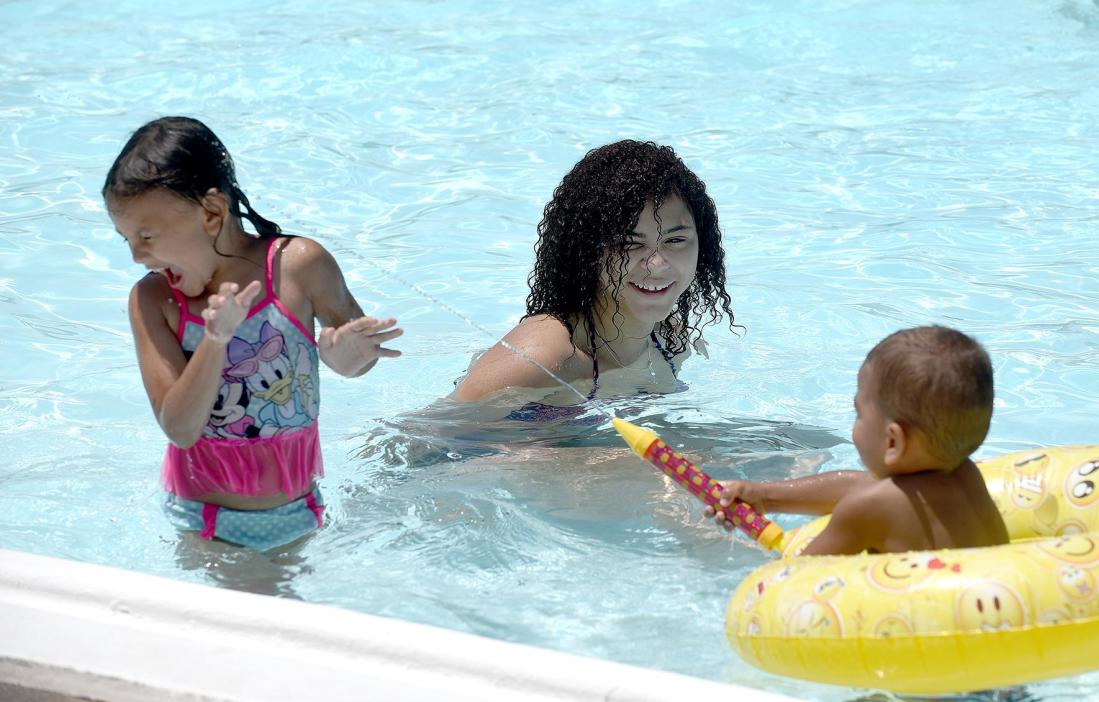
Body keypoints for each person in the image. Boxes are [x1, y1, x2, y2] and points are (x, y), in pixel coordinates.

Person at [105, 116, 402, 551]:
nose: (135, 255)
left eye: (146, 235)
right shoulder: (154, 301)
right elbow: (180, 428)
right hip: (202, 519)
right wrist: (215, 340)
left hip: (300, 509)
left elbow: (357, 359)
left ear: (211, 212)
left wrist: (345, 358)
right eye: (125, 238)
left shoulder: (299, 266)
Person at [451, 140, 736, 417]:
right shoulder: (545, 354)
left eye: (675, 240)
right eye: (628, 244)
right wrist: (589, 462)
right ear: (587, 252)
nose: (656, 264)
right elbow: (426, 443)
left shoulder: (671, 340)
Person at [712, 326, 1009, 556]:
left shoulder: (868, 511)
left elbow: (794, 578)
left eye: (859, 413)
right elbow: (864, 486)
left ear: (893, 442)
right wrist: (763, 496)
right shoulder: (966, 475)